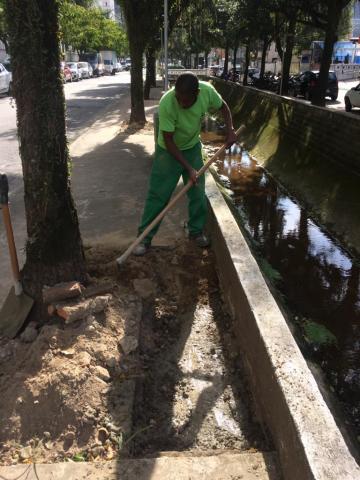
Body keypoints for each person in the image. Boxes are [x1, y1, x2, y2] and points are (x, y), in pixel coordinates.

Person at [133, 72, 237, 256]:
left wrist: (230, 130)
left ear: (197, 93)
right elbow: (168, 140)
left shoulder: (207, 92)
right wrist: (189, 168)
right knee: (158, 195)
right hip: (168, 151)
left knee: (198, 194)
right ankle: (144, 238)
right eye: (179, 99)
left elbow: (224, 107)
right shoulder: (167, 103)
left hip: (192, 147)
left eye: (186, 100)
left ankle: (195, 231)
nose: (182, 103)